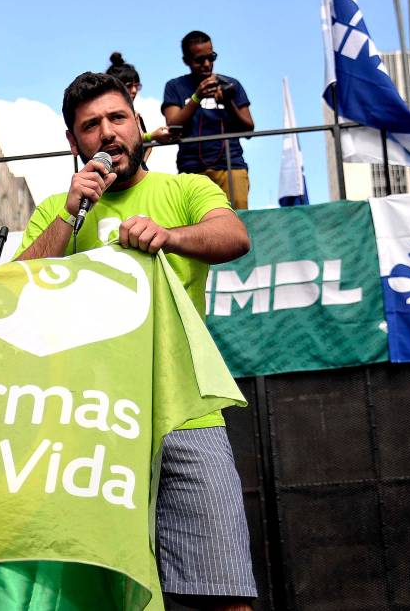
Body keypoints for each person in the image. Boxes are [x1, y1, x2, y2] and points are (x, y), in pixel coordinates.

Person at [15, 71, 257, 611]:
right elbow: (12, 291)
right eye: (90, 126)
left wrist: (168, 237)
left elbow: (234, 236)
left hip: (184, 413)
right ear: (74, 144)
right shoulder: (58, 208)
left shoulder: (185, 189)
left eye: (117, 118)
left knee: (225, 593)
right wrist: (67, 214)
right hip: (86, 423)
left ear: (140, 125)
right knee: (99, 595)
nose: (106, 133)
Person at [162, 31, 254, 210]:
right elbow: (172, 125)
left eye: (211, 57)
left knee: (237, 225)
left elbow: (249, 129)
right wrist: (197, 97)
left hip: (231, 166)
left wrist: (228, 103)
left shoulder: (231, 84)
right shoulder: (175, 86)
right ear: (186, 61)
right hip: (192, 169)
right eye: (199, 60)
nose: (207, 64)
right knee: (196, 227)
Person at [106, 52, 177, 164]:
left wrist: (141, 166)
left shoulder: (136, 115)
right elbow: (119, 141)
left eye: (137, 86)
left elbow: (148, 147)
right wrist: (152, 136)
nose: (134, 91)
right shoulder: (106, 116)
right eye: (129, 85)